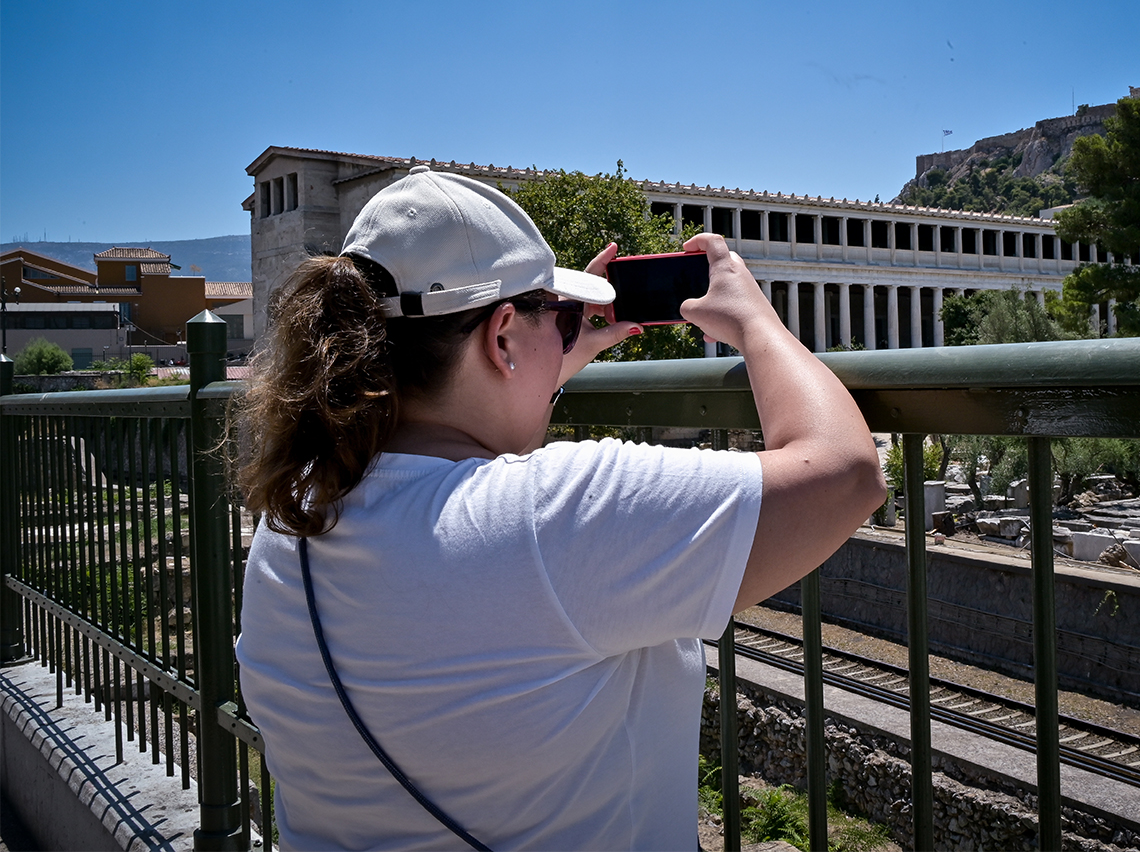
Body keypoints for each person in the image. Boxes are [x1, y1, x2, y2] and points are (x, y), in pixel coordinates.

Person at [234, 165, 885, 850]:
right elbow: (845, 472)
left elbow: (457, 431)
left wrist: (547, 346)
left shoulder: (294, 516)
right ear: (502, 336)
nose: (570, 335)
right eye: (561, 317)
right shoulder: (553, 519)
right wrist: (755, 320)